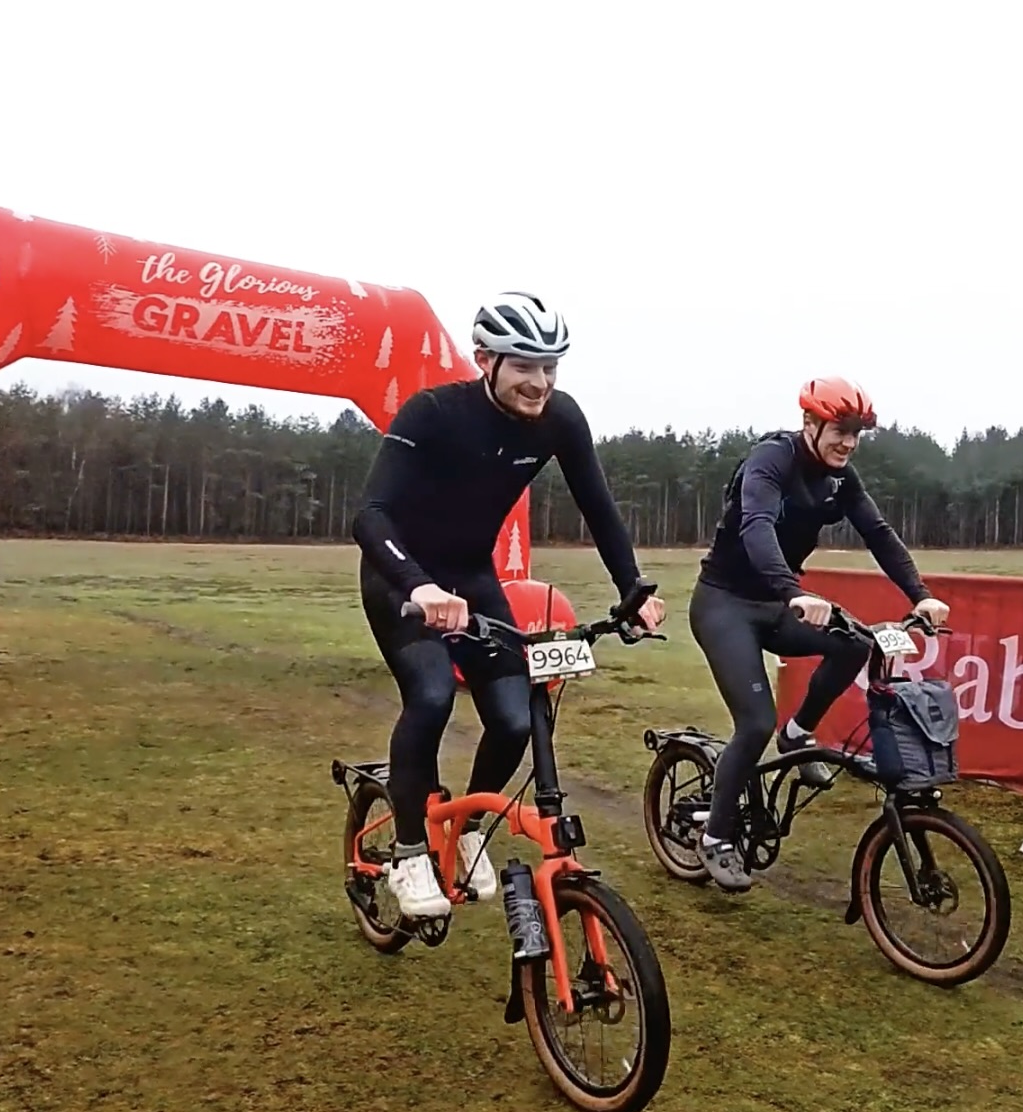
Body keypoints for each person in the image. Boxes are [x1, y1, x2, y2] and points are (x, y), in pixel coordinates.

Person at [351, 292, 663, 922]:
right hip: (403, 579)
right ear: (486, 359)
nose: (540, 382)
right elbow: (370, 514)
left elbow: (598, 507)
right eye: (525, 365)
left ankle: (468, 828)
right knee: (433, 694)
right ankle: (410, 851)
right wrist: (418, 586)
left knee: (517, 716)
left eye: (551, 366)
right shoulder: (434, 413)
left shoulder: (560, 420)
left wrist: (632, 589)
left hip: (471, 576)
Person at [686, 377, 949, 892]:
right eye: (840, 430)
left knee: (854, 642)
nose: (848, 443)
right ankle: (715, 838)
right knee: (754, 721)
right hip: (725, 604)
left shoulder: (840, 478)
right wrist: (792, 591)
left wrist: (919, 595)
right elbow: (756, 525)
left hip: (778, 603)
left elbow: (879, 534)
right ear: (810, 423)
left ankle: (799, 734)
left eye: (857, 434)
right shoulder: (771, 460)